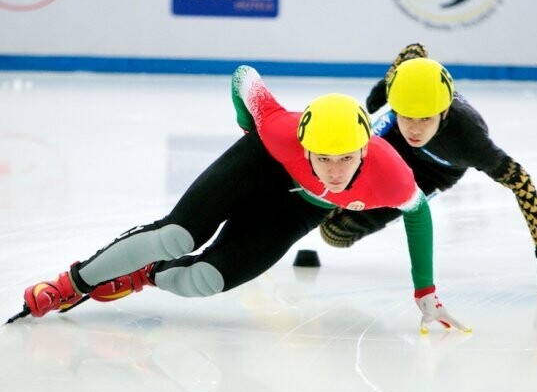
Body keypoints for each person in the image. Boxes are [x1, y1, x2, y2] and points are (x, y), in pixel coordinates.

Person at [12, 65, 470, 334]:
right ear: (304, 143)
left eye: (347, 159)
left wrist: (425, 290)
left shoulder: (389, 173)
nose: (334, 170)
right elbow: (243, 77)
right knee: (177, 235)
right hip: (258, 163)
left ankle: (145, 276)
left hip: (295, 210)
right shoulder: (278, 127)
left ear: (366, 149)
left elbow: (419, 214)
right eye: (324, 157)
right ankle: (70, 284)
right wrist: (246, 125)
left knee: (205, 280)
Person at [320, 45, 537, 290]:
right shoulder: (398, 96)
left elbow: (521, 182)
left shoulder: (470, 141)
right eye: (407, 116)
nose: (414, 128)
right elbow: (415, 50)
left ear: (444, 113)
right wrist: (390, 80)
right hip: (392, 140)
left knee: (335, 233)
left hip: (436, 171)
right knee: (324, 188)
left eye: (425, 119)